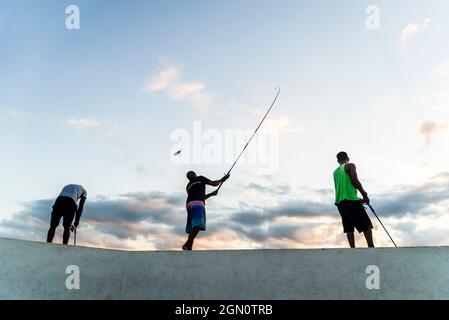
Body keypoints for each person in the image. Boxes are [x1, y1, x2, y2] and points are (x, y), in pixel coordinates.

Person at [333, 152, 374, 248]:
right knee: (366, 225)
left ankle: (352, 250)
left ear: (338, 161)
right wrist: (364, 195)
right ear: (348, 158)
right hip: (351, 201)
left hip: (340, 203)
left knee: (349, 228)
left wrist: (358, 199)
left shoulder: (335, 172)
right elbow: (354, 180)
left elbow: (344, 188)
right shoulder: (350, 165)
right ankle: (371, 248)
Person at [182, 171, 230, 250]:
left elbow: (201, 197)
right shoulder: (200, 178)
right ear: (195, 174)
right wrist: (223, 179)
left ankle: (189, 247)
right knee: (197, 224)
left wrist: (211, 194)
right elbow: (214, 184)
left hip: (189, 205)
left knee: (192, 227)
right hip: (197, 203)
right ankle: (187, 244)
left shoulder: (188, 186)